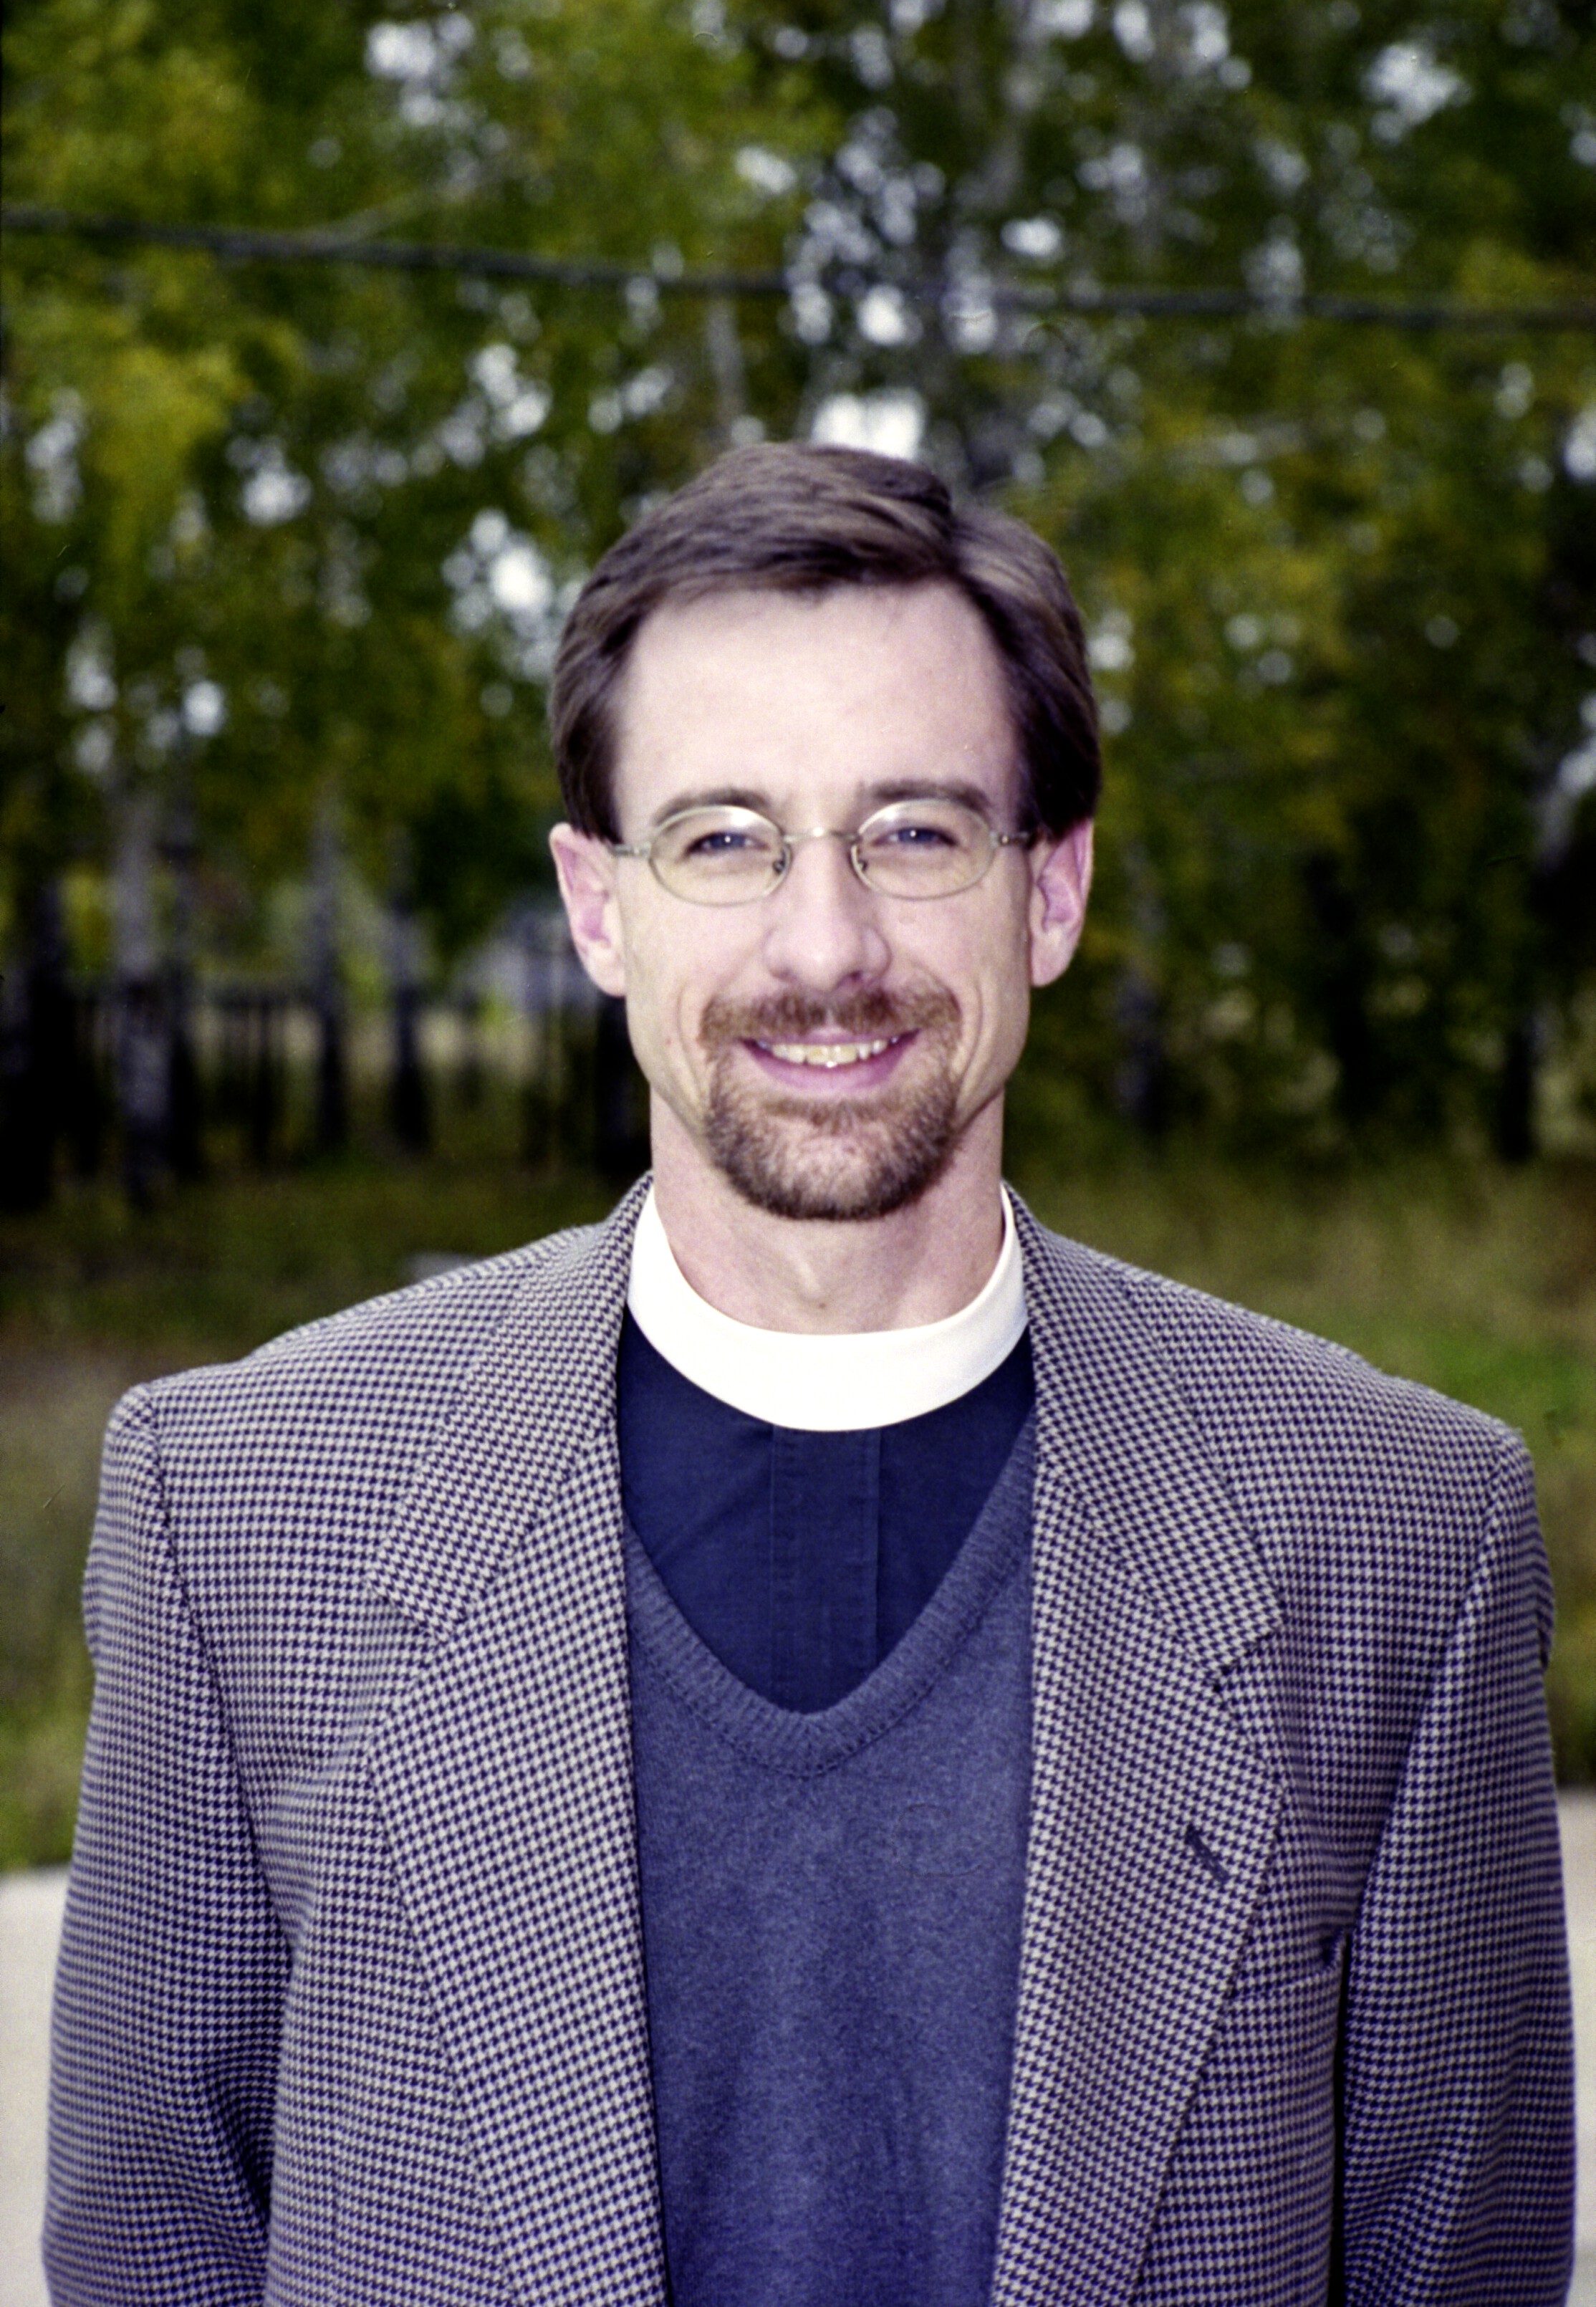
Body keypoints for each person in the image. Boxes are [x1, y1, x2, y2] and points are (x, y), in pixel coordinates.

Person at [45, 443, 1572, 2305]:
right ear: (598, 908)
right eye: (723, 838)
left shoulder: (1397, 1538)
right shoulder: (239, 1514)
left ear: (1054, 892)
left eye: (915, 832)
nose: (825, 946)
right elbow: (153, 2251)